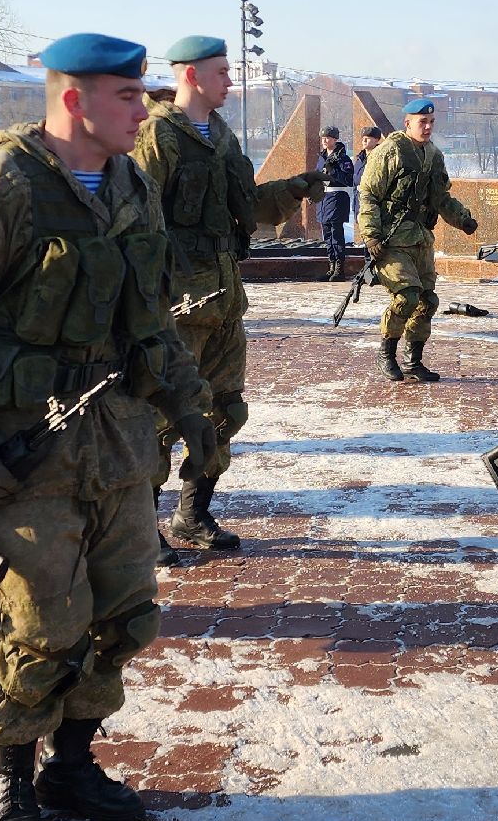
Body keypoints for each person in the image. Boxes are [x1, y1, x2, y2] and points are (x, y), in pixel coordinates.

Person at [0, 33, 219, 821]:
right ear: (74, 99)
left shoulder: (130, 186)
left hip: (115, 440)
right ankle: (9, 768)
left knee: (123, 615)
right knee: (45, 620)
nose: (139, 109)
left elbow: (153, 320)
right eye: (125, 95)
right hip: (24, 444)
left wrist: (192, 414)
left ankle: (70, 764)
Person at [132, 35, 322, 554]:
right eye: (221, 72)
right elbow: (134, 221)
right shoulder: (157, 137)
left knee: (224, 411)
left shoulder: (220, 136)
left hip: (222, 303)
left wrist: (295, 189)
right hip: (176, 307)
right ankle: (138, 526)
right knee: (158, 416)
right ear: (190, 74)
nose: (230, 82)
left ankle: (193, 514)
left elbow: (247, 208)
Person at [357, 98, 480, 381]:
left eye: (431, 122)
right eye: (422, 122)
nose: (427, 127)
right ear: (407, 122)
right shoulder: (390, 151)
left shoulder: (434, 156)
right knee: (406, 296)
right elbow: (369, 195)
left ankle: (413, 360)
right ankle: (386, 353)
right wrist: (371, 235)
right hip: (391, 240)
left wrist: (462, 218)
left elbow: (440, 198)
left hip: (421, 239)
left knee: (427, 301)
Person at [315, 127, 357, 280]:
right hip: (323, 199)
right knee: (327, 234)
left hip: (337, 197)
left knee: (336, 233)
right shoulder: (322, 157)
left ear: (335, 139)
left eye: (328, 137)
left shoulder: (343, 158)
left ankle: (339, 268)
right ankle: (331, 266)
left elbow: (348, 179)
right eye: (323, 138)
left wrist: (334, 171)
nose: (325, 140)